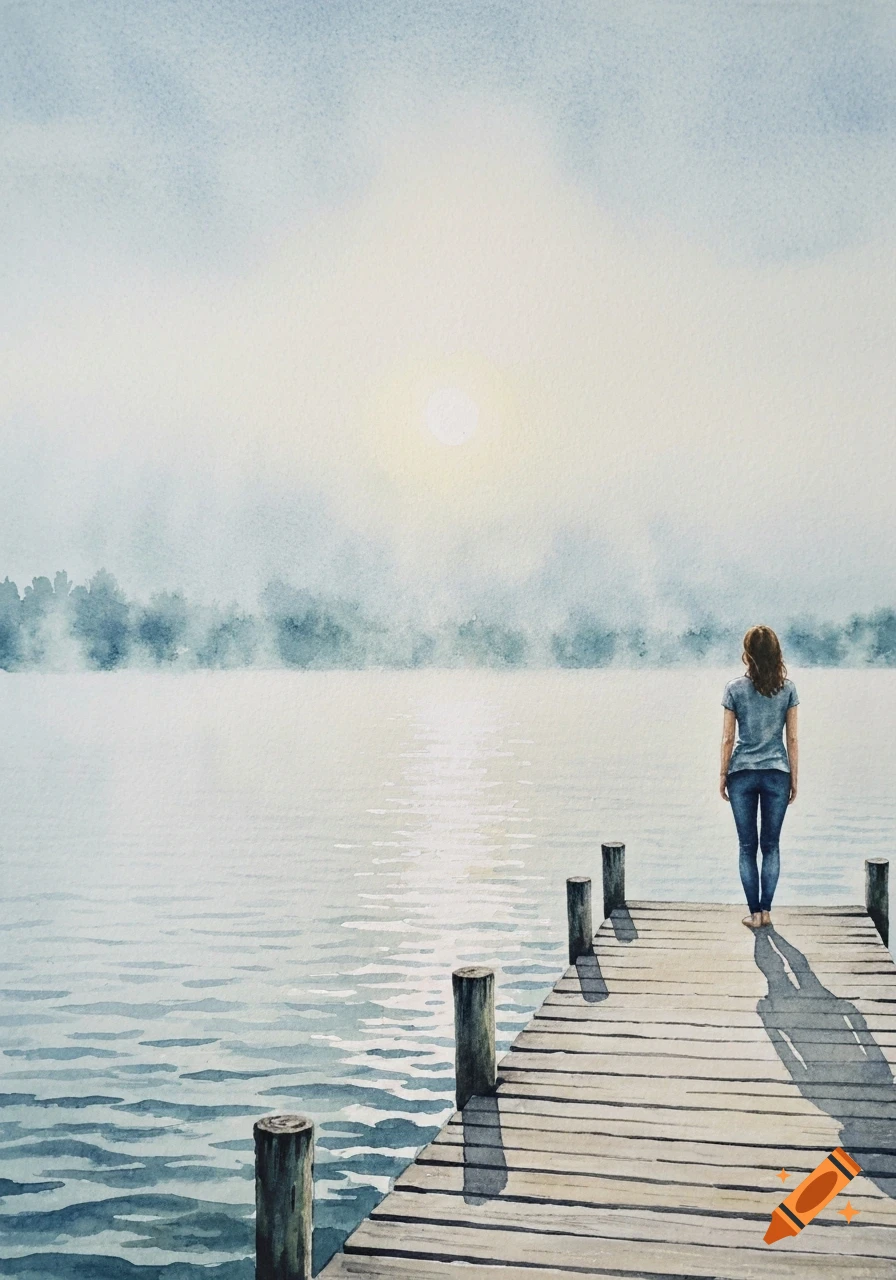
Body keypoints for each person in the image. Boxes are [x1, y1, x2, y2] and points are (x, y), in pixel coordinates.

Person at [720, 625, 799, 930]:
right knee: (771, 846)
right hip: (777, 773)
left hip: (741, 774)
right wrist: (794, 778)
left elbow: (728, 738)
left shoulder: (734, 689)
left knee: (746, 847)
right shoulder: (788, 689)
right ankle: (766, 911)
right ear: (776, 652)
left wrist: (722, 774)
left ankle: (754, 914)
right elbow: (792, 739)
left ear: (748, 653)